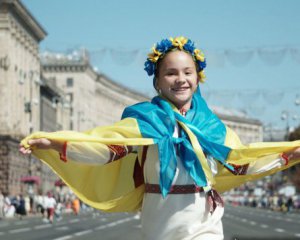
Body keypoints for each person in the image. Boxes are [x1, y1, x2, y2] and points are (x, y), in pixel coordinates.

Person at [19, 36, 300, 240]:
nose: (181, 79)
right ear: (157, 81)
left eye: (188, 72)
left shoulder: (212, 127)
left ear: (197, 78)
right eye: (171, 73)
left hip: (204, 222)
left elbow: (242, 162)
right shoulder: (144, 121)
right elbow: (105, 149)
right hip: (159, 223)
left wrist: (287, 156)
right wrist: (56, 144)